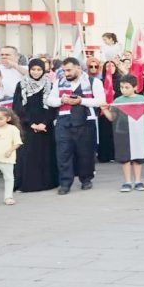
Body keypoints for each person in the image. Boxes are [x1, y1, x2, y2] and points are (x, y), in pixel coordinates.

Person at [45, 57, 106, 195]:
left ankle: (86, 179)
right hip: (64, 122)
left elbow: (101, 101)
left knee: (85, 153)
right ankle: (65, 183)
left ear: (78, 68)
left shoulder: (93, 82)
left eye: (69, 70)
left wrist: (81, 101)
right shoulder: (59, 82)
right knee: (63, 153)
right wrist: (62, 100)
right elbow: (50, 100)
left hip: (86, 121)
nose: (66, 73)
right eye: (64, 70)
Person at [101, 74, 144, 192]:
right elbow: (112, 118)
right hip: (122, 132)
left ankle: (138, 181)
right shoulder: (117, 101)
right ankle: (127, 182)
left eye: (127, 87)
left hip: (137, 131)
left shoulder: (141, 99)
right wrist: (104, 109)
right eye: (121, 87)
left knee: (138, 157)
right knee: (125, 157)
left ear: (135, 87)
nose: (123, 90)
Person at [12, 58, 58, 193]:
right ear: (29, 70)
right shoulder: (21, 85)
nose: (36, 72)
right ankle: (27, 184)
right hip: (27, 126)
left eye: (39, 69)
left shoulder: (49, 84)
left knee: (45, 154)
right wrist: (31, 123)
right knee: (27, 155)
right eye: (33, 69)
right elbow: (18, 106)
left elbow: (52, 106)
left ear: (44, 70)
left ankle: (46, 183)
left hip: (45, 126)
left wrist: (44, 123)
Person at [0, 107, 22, 206]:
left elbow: (18, 143)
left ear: (8, 119)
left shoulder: (13, 129)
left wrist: (10, 151)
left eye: (0, 118)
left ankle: (8, 197)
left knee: (9, 178)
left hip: (7, 160)